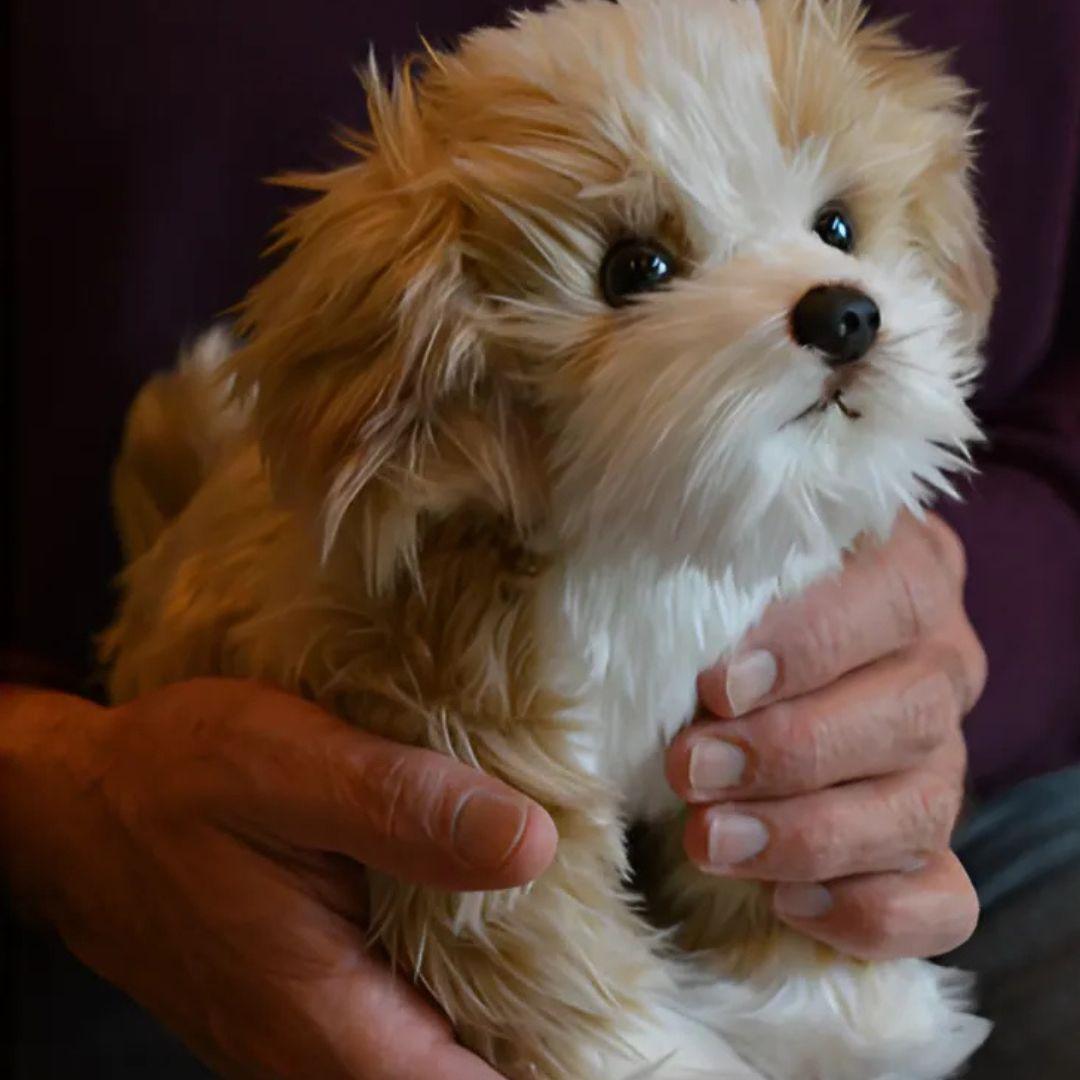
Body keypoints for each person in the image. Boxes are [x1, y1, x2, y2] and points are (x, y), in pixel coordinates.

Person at [4, 1, 1078, 1077]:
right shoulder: (456, 600)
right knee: (485, 852)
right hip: (150, 855)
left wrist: (981, 613)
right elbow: (482, 904)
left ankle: (790, 970)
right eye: (639, 274)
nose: (830, 298)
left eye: (835, 230)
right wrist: (51, 793)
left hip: (993, 783)